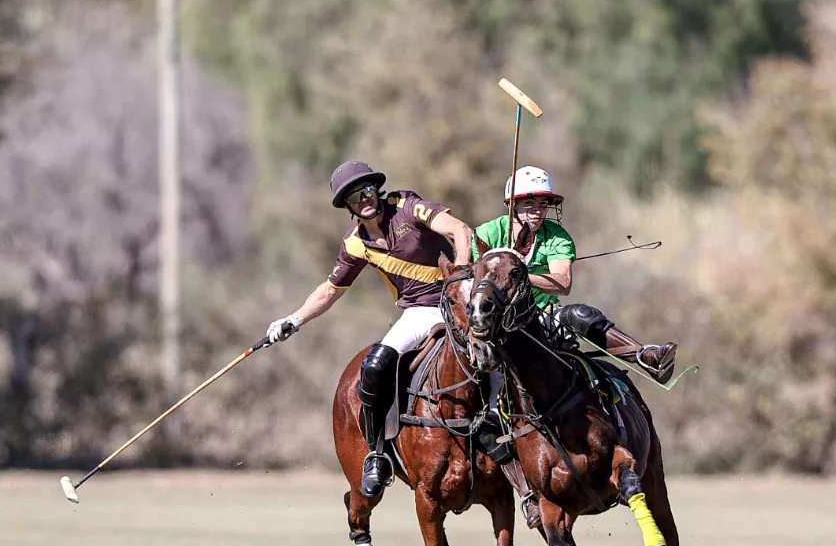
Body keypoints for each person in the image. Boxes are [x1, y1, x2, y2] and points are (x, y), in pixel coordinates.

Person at [265, 160, 475, 497]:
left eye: (367, 190)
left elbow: (460, 230)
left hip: (458, 302)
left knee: (503, 353)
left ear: (376, 189)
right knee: (374, 367)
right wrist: (294, 319)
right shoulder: (355, 244)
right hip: (419, 313)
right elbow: (331, 289)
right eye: (354, 197)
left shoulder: (407, 207)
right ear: (347, 207)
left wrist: (462, 278)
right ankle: (378, 455)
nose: (364, 199)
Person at [473, 165, 678, 383]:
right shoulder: (487, 233)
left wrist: (520, 276)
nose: (538, 211)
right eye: (529, 204)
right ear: (512, 206)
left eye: (544, 204)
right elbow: (474, 282)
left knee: (580, 314)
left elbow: (563, 283)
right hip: (491, 321)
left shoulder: (557, 237)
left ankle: (645, 356)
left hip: (540, 317)